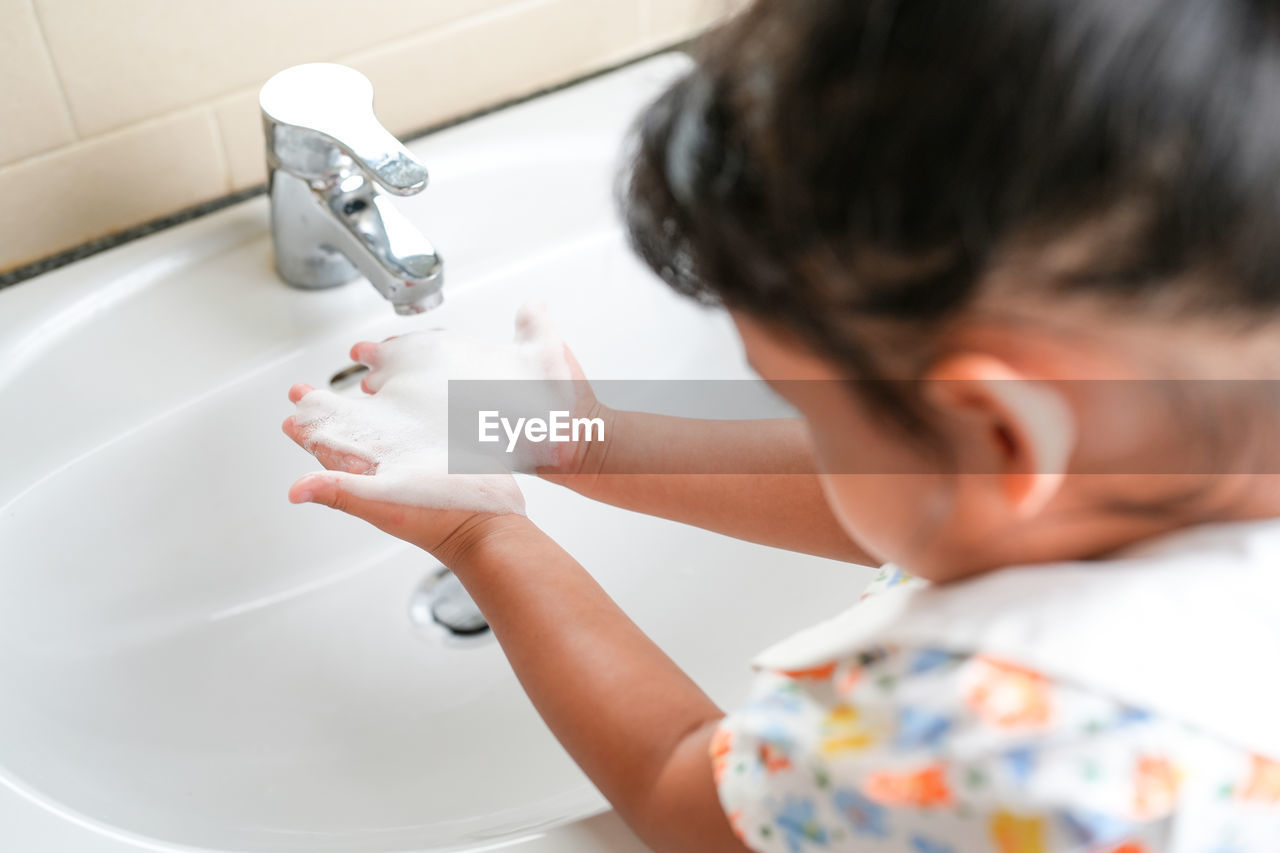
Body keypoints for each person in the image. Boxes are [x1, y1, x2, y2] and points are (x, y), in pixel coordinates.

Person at [282, 0, 1280, 849]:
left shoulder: (973, 736)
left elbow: (691, 794)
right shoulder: (1207, 428)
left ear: (1002, 435)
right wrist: (575, 440)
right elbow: (938, 485)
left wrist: (482, 533)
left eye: (799, 397)